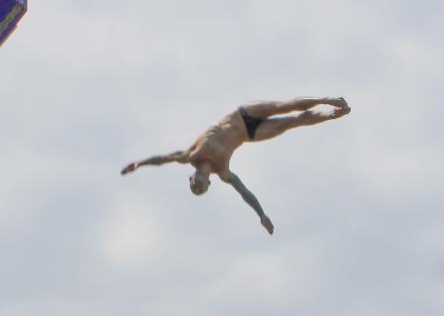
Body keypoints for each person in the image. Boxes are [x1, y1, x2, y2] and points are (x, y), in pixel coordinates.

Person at [121, 97, 350, 235]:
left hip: (242, 114)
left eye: (195, 187)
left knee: (284, 106)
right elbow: (244, 192)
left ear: (191, 178)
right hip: (250, 134)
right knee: (291, 123)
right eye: (202, 190)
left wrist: (139, 164)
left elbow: (163, 159)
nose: (199, 187)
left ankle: (327, 99)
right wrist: (261, 215)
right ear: (209, 184)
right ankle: (333, 113)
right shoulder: (223, 172)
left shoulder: (191, 155)